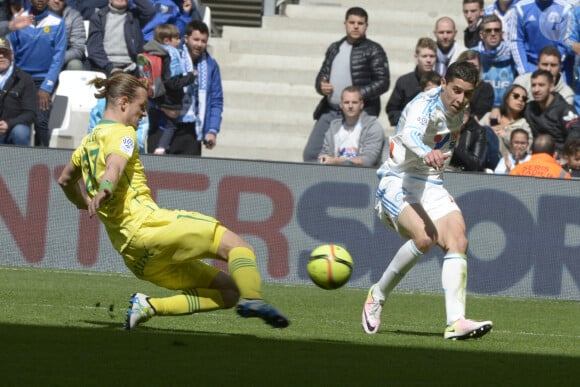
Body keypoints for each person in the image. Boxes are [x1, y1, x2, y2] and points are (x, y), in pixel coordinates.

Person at [57, 73, 289, 330]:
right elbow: (115, 164)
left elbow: (65, 180)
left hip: (134, 255)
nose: (144, 114)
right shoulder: (123, 134)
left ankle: (149, 306)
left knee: (228, 292)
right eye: (141, 107)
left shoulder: (86, 144)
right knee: (239, 247)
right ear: (124, 103)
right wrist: (106, 189)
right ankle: (254, 299)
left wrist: (83, 201)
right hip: (151, 228)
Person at [361, 61, 493, 340]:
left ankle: (455, 322)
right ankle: (378, 295)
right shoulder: (425, 104)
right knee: (425, 237)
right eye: (456, 90)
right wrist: (425, 152)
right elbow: (409, 134)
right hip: (397, 180)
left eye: (467, 94)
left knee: (458, 240)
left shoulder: (459, 109)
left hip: (431, 183)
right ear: (444, 83)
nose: (460, 99)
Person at [303, 6, 390, 162]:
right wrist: (321, 86)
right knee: (311, 154)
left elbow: (383, 82)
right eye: (352, 22)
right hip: (331, 111)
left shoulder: (373, 50)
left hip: (359, 112)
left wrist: (356, 96)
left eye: (360, 23)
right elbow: (322, 75)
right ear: (345, 24)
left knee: (356, 157)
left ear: (366, 26)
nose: (356, 26)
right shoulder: (335, 48)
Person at [150, 19, 222, 156]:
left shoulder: (211, 66)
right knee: (156, 176)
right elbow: (149, 88)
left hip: (190, 131)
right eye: (196, 39)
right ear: (186, 38)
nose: (199, 44)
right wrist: (164, 107)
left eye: (203, 41)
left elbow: (216, 101)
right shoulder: (168, 57)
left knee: (187, 177)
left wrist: (212, 130)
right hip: (163, 126)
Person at [8, 0, 66, 147]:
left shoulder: (57, 23)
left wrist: (47, 86)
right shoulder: (19, 20)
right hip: (20, 79)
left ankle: (42, 162)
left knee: (41, 122)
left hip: (43, 79)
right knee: (17, 122)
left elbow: (58, 58)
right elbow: (10, 52)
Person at [142, 23, 195, 155]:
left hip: (155, 98)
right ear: (167, 40)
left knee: (153, 125)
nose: (179, 41)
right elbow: (173, 82)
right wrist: (190, 76)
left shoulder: (153, 52)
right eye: (176, 38)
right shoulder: (172, 54)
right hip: (171, 99)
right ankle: (161, 147)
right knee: (171, 125)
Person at [318, 86, 385, 167]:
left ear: (361, 104)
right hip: (335, 174)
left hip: (363, 176)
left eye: (354, 102)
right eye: (346, 102)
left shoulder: (373, 127)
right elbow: (324, 155)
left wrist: (335, 161)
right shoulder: (334, 127)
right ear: (341, 105)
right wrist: (325, 160)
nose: (350, 106)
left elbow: (368, 160)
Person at [86, 0, 155, 77]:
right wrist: (110, 68)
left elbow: (150, 11)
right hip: (105, 68)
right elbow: (94, 49)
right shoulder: (98, 17)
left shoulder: (135, 16)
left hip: (131, 67)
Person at [524, 69, 580, 155]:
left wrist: (566, 157)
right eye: (533, 85)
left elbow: (576, 132)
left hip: (560, 157)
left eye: (541, 85)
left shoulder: (565, 109)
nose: (536, 90)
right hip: (536, 157)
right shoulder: (529, 108)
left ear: (551, 87)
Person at [510, 0, 572, 76]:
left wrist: (554, 67)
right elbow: (516, 41)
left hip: (556, 66)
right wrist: (524, 71)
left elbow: (565, 43)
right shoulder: (520, 8)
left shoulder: (565, 9)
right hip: (529, 65)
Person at [386, 37, 436, 127]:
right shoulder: (404, 82)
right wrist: (409, 119)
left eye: (432, 56)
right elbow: (392, 111)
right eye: (424, 56)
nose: (428, 60)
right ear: (416, 57)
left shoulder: (441, 82)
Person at [474, 14, 517, 109]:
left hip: (506, 110)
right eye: (488, 30)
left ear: (502, 34)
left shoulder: (513, 54)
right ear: (481, 34)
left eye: (496, 30)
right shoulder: (473, 54)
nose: (493, 33)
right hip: (479, 110)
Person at [0, 36, 36, 146]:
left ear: (11, 55)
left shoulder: (25, 79)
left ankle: (21, 162)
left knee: (21, 132)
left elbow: (31, 113)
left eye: (4, 52)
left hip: (13, 128)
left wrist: (8, 124)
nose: (1, 56)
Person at [479, 84, 532, 156]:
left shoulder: (524, 125)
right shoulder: (490, 116)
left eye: (524, 98)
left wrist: (506, 135)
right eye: (516, 96)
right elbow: (475, 135)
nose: (520, 99)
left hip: (506, 163)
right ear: (507, 98)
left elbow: (528, 149)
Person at [47, 0, 86, 71]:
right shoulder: (37, 14)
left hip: (64, 58)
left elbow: (78, 48)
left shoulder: (74, 16)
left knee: (76, 65)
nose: (57, 1)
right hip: (41, 57)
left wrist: (57, 59)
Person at [456, 49, 494, 120]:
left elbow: (481, 114)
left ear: (479, 67)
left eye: (474, 65)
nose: (471, 69)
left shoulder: (485, 88)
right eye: (467, 65)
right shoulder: (452, 86)